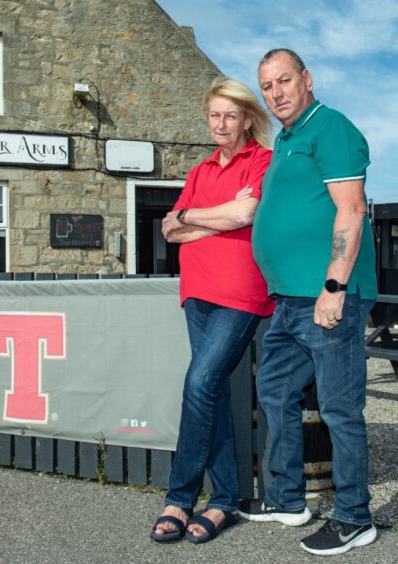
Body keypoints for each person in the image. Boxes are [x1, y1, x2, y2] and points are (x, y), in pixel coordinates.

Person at [239, 48, 378, 556]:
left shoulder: (331, 128)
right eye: (267, 86)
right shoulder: (287, 139)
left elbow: (351, 208)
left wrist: (335, 288)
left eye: (284, 81)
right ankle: (287, 499)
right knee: (275, 391)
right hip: (290, 302)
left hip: (326, 298)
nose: (275, 93)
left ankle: (354, 518)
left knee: (341, 409)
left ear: (307, 79)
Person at [149, 77, 274, 545]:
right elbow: (169, 230)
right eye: (214, 116)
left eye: (230, 116)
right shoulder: (201, 170)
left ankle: (179, 497)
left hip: (240, 293)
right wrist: (208, 215)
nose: (222, 124)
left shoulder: (262, 160)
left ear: (247, 119)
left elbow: (246, 216)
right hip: (196, 290)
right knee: (214, 391)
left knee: (199, 382)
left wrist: (193, 216)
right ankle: (223, 501)